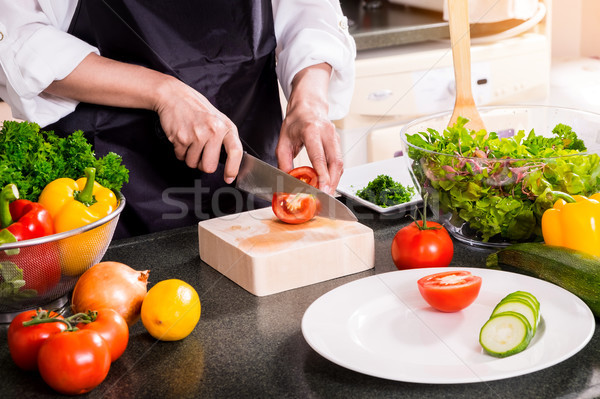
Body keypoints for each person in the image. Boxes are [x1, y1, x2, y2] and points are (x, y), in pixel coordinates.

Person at [0, 1, 356, 238]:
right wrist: (163, 92)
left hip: (246, 163)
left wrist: (308, 101)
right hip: (109, 189)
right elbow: (20, 38)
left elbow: (310, 12)